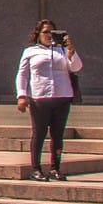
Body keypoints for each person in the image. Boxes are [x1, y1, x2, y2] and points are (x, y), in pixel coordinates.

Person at [15, 18, 82, 181]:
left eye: (51, 32)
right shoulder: (30, 51)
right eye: (45, 32)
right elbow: (22, 74)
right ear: (38, 34)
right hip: (40, 97)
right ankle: (35, 168)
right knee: (39, 133)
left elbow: (76, 67)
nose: (48, 35)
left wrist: (71, 51)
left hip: (62, 96)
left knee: (57, 135)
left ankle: (55, 168)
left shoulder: (62, 50)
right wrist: (21, 95)